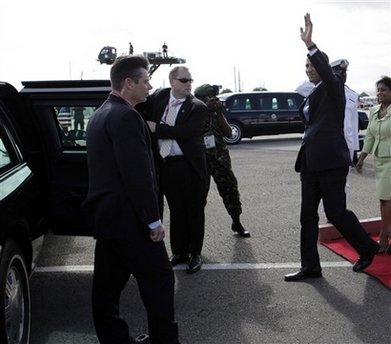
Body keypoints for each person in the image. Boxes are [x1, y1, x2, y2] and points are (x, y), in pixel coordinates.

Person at [83, 55, 180, 344]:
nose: (150, 86)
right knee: (161, 282)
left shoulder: (100, 114)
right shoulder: (126, 117)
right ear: (129, 83)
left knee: (106, 292)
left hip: (108, 221)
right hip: (131, 222)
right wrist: (153, 220)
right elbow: (137, 175)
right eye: (146, 80)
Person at [284, 13, 379, 282]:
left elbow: (326, 72)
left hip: (331, 161)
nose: (308, 69)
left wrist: (311, 46)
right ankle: (310, 266)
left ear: (325, 67)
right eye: (305, 66)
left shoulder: (334, 87)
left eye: (312, 65)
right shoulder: (313, 92)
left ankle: (367, 248)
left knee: (336, 212)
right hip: (310, 162)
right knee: (307, 217)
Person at [145, 66, 208, 274]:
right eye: (184, 80)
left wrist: (157, 128)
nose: (189, 83)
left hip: (189, 167)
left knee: (194, 210)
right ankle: (179, 252)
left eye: (190, 80)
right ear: (172, 81)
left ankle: (195, 253)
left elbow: (187, 132)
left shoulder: (197, 107)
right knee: (176, 210)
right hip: (166, 166)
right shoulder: (159, 98)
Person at [194, 84, 250, 238]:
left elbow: (228, 133)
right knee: (198, 196)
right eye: (208, 98)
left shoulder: (216, 111)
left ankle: (236, 222)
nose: (213, 101)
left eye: (213, 98)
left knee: (230, 190)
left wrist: (219, 113)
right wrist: (204, 108)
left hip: (220, 158)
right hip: (201, 160)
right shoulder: (195, 110)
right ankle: (194, 234)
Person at [356, 76, 391, 254]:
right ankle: (388, 232)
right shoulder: (375, 111)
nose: (379, 93)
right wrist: (361, 159)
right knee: (383, 200)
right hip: (380, 160)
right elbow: (370, 136)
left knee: (386, 200)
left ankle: (383, 237)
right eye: (378, 90)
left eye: (383, 90)